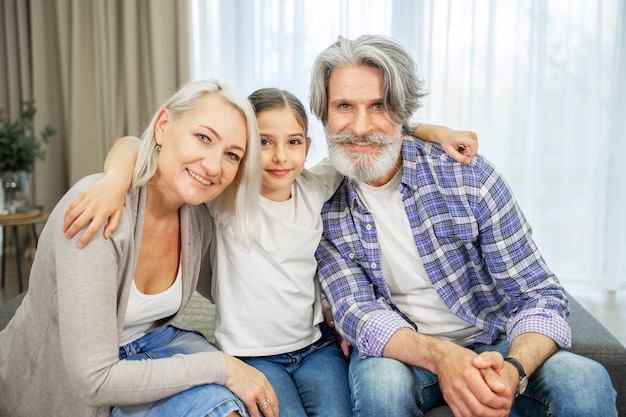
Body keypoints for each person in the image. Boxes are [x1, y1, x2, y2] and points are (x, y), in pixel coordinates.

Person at [61, 87, 478, 416]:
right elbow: (137, 145)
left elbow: (367, 138)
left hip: (316, 348)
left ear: (308, 144)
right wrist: (114, 180)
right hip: (251, 356)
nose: (280, 157)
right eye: (264, 143)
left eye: (293, 142)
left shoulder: (315, 187)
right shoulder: (224, 195)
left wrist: (434, 132)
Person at [309, 34, 617, 417]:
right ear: (323, 114)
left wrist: (512, 368)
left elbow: (538, 294)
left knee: (583, 382)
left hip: (495, 342)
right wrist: (443, 358)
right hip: (405, 352)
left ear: (402, 114)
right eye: (343, 106)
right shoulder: (319, 206)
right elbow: (360, 314)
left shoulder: (467, 178)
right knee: (381, 388)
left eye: (379, 106)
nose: (359, 125)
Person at [0, 79, 280, 417]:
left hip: (153, 343)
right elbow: (94, 380)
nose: (213, 166)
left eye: (232, 155)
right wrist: (223, 366)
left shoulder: (196, 219)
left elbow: (236, 290)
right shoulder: (99, 212)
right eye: (204, 137)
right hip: (73, 381)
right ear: (163, 126)